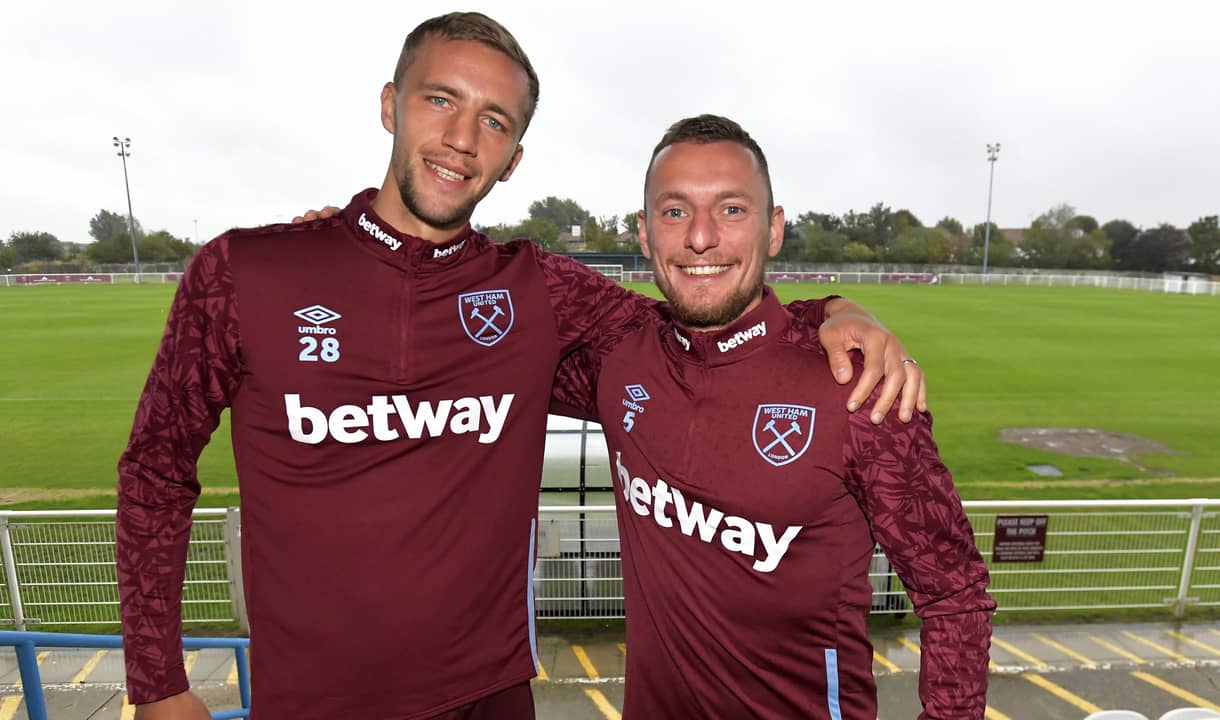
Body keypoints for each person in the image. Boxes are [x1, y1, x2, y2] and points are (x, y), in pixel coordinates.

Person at [116, 14, 925, 720]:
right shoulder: (244, 273)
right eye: (441, 101)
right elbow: (156, 469)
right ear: (391, 105)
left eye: (494, 121)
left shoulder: (540, 290)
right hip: (313, 705)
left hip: (494, 700)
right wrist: (157, 681)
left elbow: (701, 324)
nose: (463, 140)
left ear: (513, 159)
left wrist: (831, 312)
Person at [550, 115, 994, 719]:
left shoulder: (858, 388)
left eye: (731, 210)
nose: (700, 238)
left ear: (774, 229)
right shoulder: (616, 356)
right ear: (645, 232)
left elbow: (955, 593)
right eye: (674, 212)